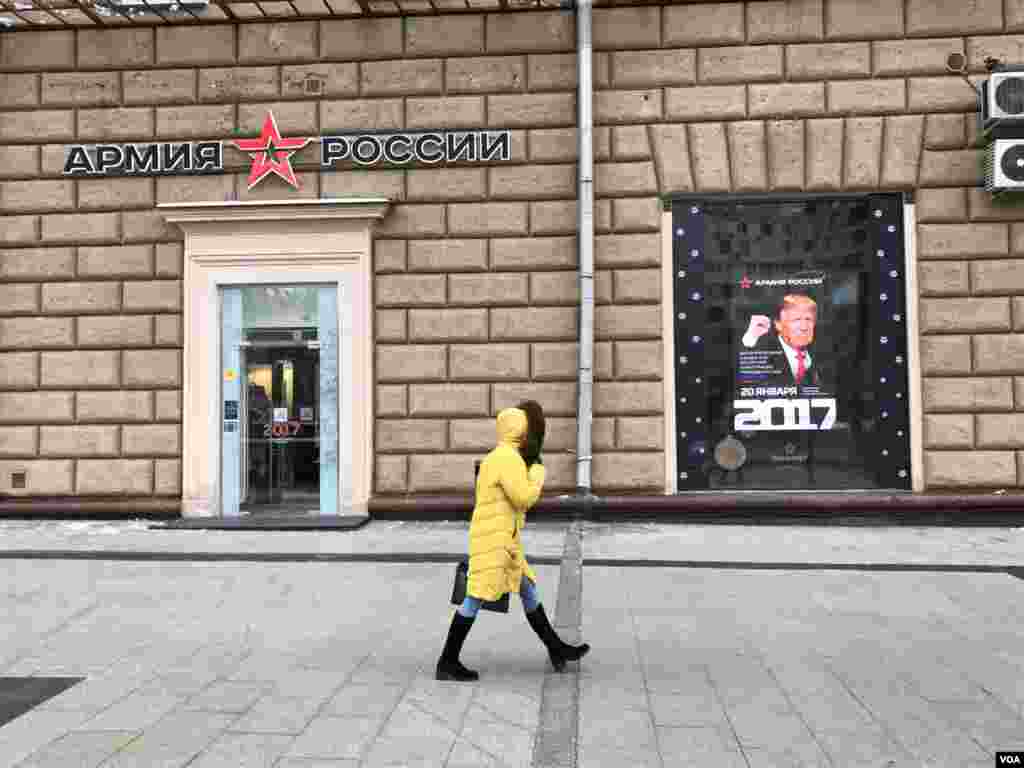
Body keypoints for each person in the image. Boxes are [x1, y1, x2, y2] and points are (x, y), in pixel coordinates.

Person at [435, 405, 590, 682]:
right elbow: (523, 498)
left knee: (528, 590)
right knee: (474, 598)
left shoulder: (497, 456)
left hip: (501, 539)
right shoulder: (508, 459)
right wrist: (538, 475)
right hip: (495, 541)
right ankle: (447, 661)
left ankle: (557, 648)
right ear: (519, 430)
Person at [740, 293, 829, 392]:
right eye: (796, 320)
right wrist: (750, 338)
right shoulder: (762, 353)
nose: (804, 327)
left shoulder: (824, 354)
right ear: (778, 324)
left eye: (808, 319)